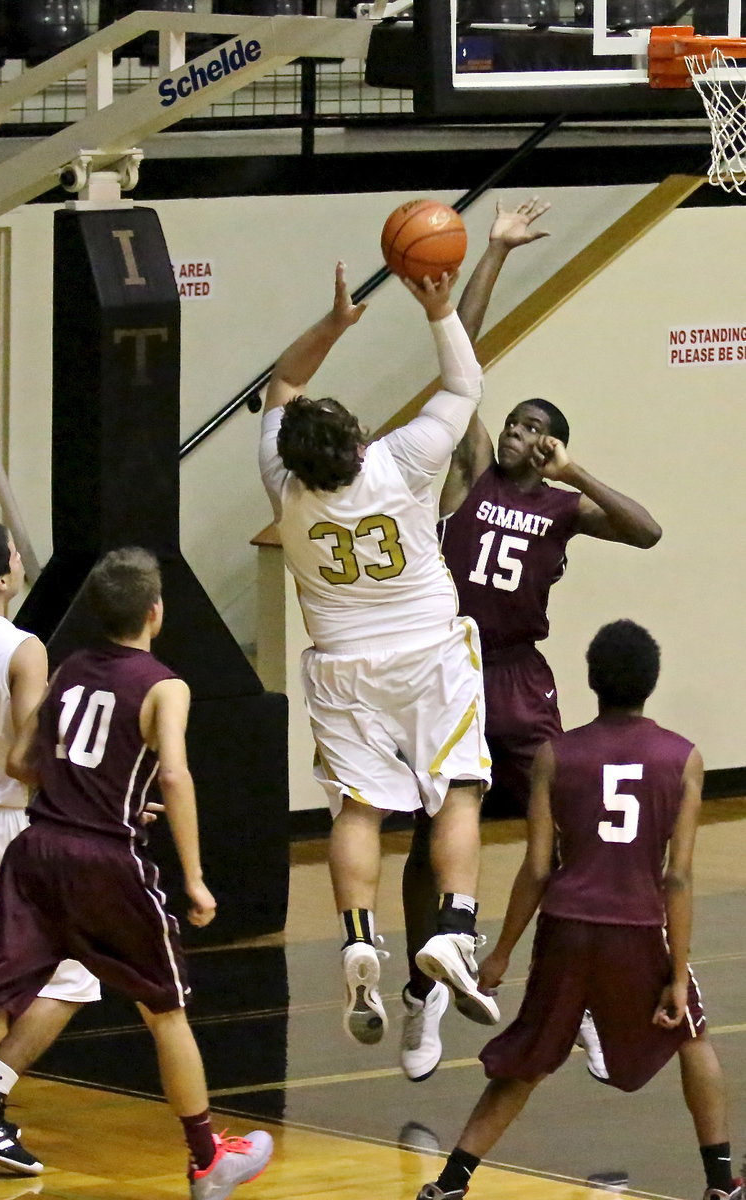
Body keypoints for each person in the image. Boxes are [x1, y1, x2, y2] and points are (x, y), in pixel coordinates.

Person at [400, 199, 663, 1082]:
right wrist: (497, 253)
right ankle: (423, 988)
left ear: (550, 446)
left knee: (569, 835)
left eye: (534, 430)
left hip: (519, 678)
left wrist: (577, 468)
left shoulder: (563, 503)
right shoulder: (471, 470)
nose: (517, 434)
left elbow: (647, 531)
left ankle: (571, 998)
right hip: (449, 668)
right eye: (513, 422)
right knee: (432, 831)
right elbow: (458, 360)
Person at [0, 547, 273, 1199]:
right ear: (155, 613)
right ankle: (206, 1157)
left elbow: (20, 760)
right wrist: (193, 876)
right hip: (106, 860)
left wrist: (85, 783)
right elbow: (178, 776)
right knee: (166, 1012)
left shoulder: (69, 666)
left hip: (37, 848)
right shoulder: (164, 685)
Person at [259, 262, 500, 1046]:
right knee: (457, 788)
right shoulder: (400, 462)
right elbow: (463, 384)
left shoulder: (282, 484)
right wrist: (436, 310)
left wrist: (332, 325)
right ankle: (454, 927)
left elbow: (280, 384)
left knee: (359, 808)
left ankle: (359, 934)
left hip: (340, 662)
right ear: (359, 441)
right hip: (427, 652)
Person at [417, 619, 739, 1200]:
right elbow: (679, 875)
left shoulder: (553, 755)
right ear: (652, 682)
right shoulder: (683, 758)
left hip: (565, 928)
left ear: (591, 681)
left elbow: (537, 868)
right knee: (693, 1037)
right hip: (638, 928)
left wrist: (501, 954)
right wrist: (676, 971)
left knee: (530, 1061)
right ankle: (722, 1183)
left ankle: (449, 1183)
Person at [0, 520, 102, 1174]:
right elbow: (28, 758)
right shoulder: (23, 648)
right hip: (4, 829)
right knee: (72, 974)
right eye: (15, 556)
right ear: (2, 579)